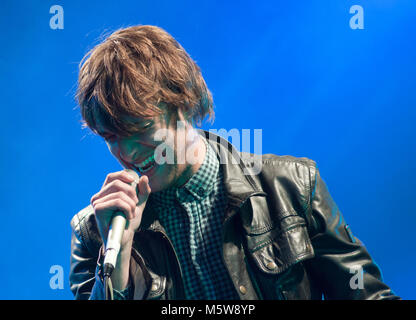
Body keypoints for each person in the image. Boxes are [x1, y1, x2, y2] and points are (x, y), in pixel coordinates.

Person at [70, 25, 399, 300]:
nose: (127, 153)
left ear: (183, 106)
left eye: (140, 129)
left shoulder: (290, 186)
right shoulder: (95, 233)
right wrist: (120, 262)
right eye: (110, 137)